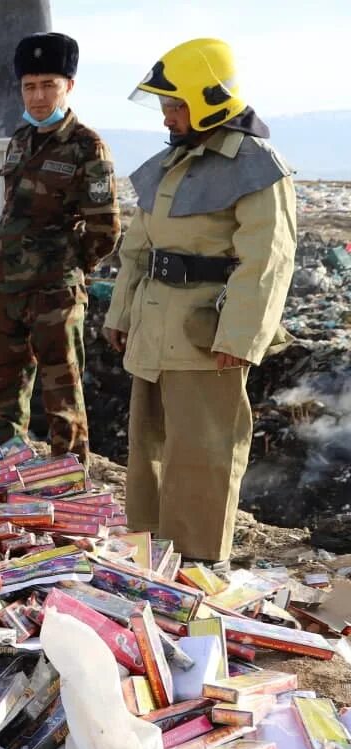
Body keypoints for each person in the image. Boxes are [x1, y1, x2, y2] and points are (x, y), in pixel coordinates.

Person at [103, 38, 296, 566]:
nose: (166, 116)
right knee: (147, 454)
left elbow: (269, 259)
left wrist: (241, 337)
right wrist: (120, 315)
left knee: (203, 455)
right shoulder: (169, 164)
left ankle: (198, 567)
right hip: (152, 329)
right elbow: (138, 249)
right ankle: (146, 563)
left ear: (208, 97)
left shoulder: (257, 165)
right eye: (164, 105)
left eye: (175, 104)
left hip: (205, 338)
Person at [0, 32, 120, 464]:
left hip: (55, 292)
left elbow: (105, 229)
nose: (39, 96)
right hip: (9, 288)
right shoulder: (21, 139)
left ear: (69, 86)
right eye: (30, 86)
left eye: (48, 85)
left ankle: (70, 479)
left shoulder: (87, 146)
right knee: (4, 387)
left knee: (62, 393)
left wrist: (65, 264)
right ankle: (9, 467)